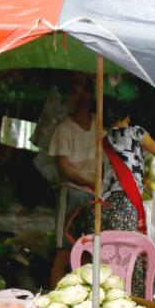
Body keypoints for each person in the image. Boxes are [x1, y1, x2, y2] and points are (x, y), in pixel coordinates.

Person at [101, 94, 155, 296]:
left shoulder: (104, 140)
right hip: (128, 201)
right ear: (128, 117)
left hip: (107, 203)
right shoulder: (136, 132)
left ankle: (112, 293)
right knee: (131, 249)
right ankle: (136, 297)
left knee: (112, 251)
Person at [48, 78, 96, 288]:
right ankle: (53, 299)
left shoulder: (100, 125)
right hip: (73, 193)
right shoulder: (64, 128)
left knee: (87, 251)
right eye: (75, 93)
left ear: (90, 95)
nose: (79, 98)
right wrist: (90, 183)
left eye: (83, 92)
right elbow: (64, 167)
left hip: (94, 197)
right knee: (64, 250)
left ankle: (81, 298)